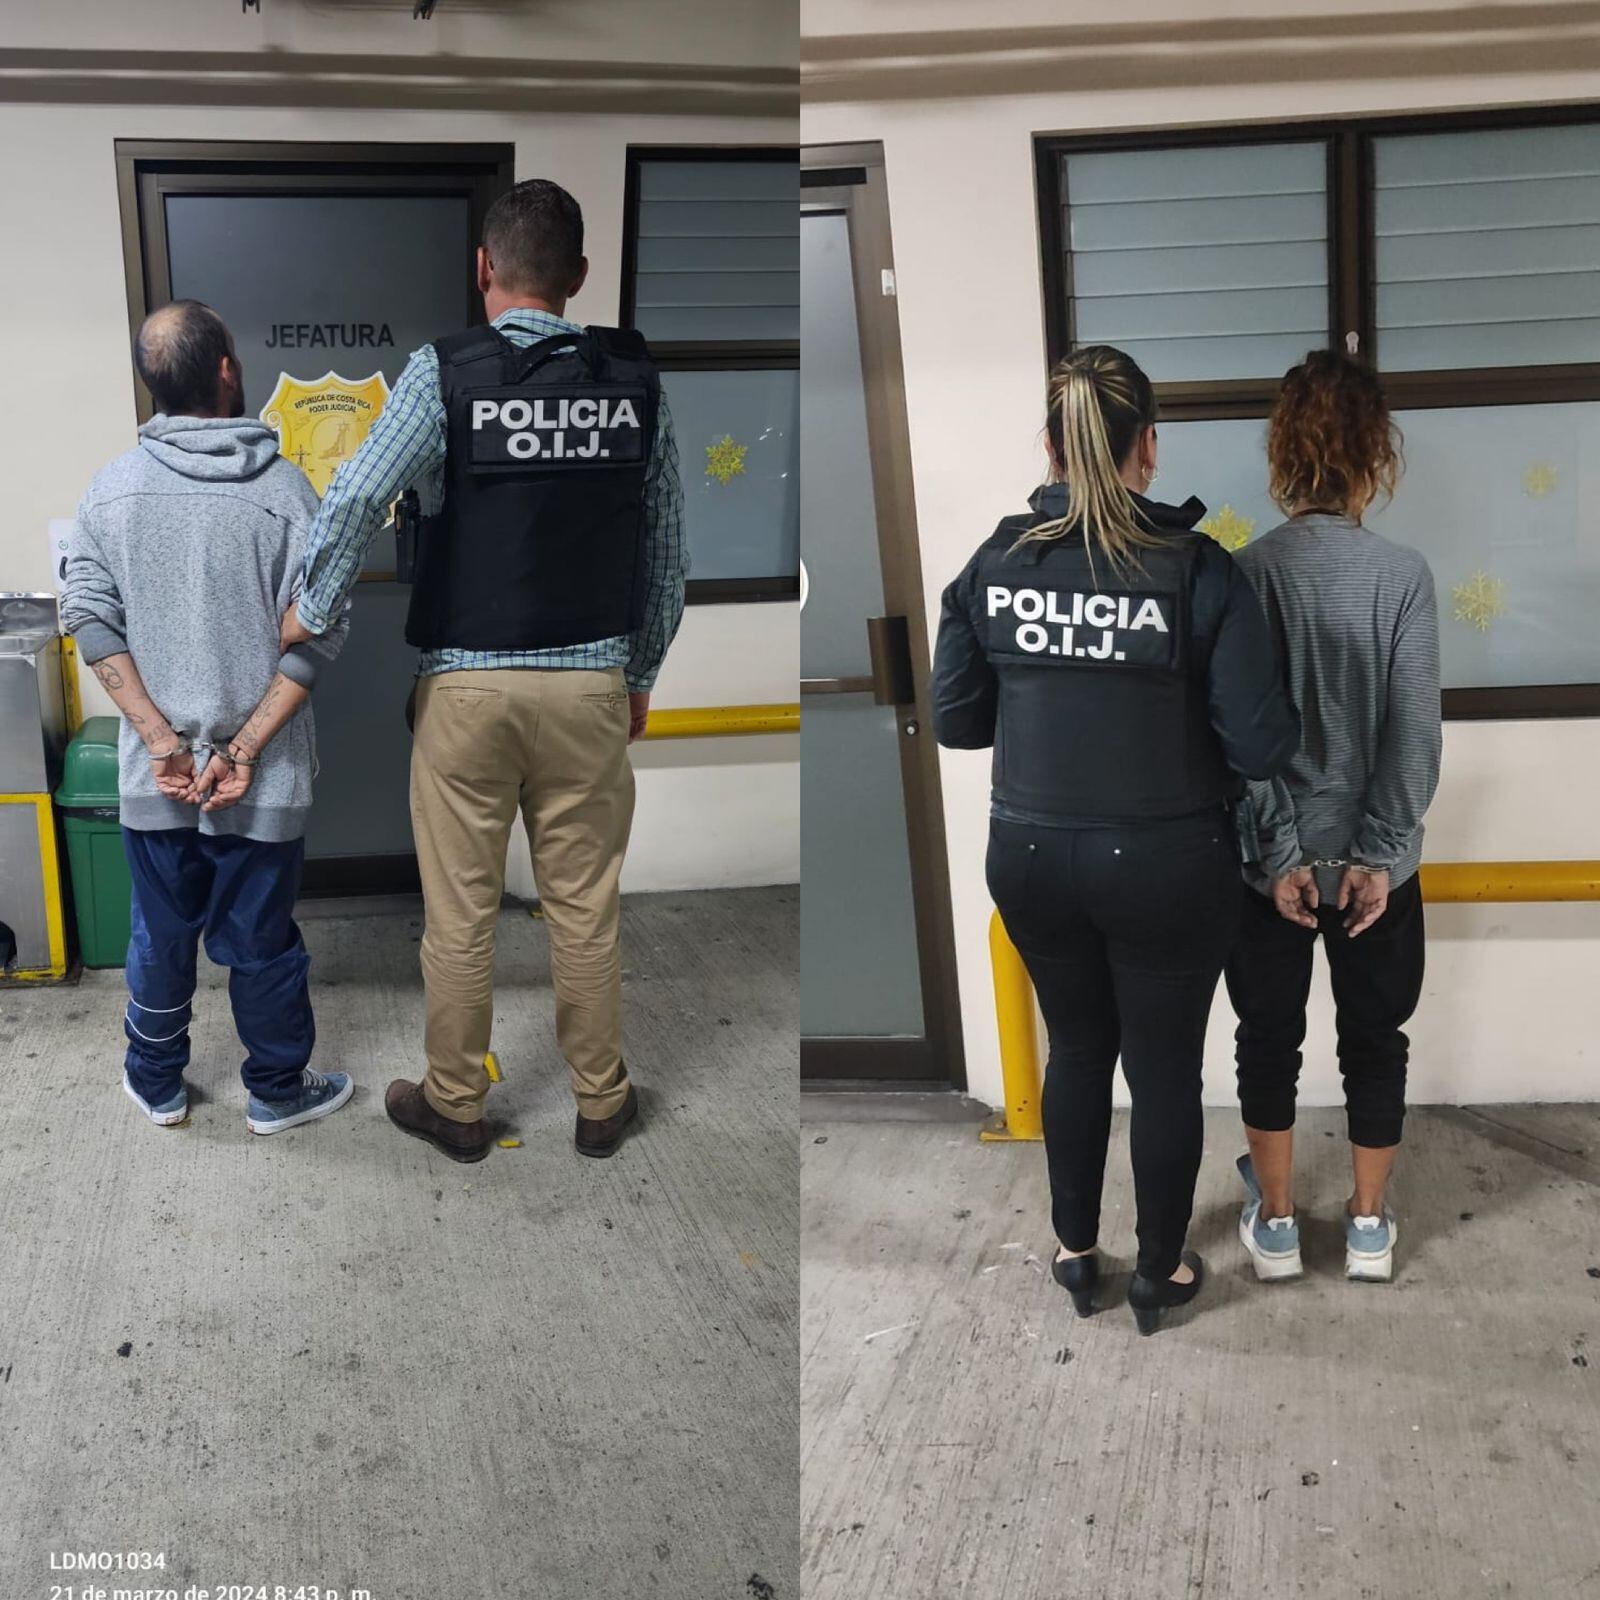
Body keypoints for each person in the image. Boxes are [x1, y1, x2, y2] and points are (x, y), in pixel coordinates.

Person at [280, 178, 687, 1165]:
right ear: (579, 277)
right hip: (590, 686)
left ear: (482, 270)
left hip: (465, 687)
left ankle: (455, 1105)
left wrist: (310, 605)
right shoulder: (633, 380)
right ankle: (601, 1102)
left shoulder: (443, 372)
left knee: (460, 914)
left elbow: (356, 494)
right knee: (583, 906)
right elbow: (668, 551)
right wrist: (637, 676)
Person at [932, 344, 1300, 1335]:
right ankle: (1160, 1270)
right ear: (1148, 445)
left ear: (1051, 445)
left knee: (1078, 1046)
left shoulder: (994, 563)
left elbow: (958, 722)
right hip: (1170, 863)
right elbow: (1262, 745)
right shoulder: (1199, 571)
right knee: (1164, 1065)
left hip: (1033, 857)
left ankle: (1072, 1249)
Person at [62, 300, 352, 1135]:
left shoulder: (111, 491)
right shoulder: (290, 492)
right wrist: (247, 748)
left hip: (161, 777)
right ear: (226, 370)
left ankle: (155, 1083)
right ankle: (274, 1090)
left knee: (158, 933)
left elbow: (88, 615)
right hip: (261, 779)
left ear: (154, 383)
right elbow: (318, 637)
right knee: (261, 939)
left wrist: (160, 740)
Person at [1227, 350, 1441, 1286]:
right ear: (1374, 456)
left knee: (1267, 1037)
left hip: (1269, 866)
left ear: (1282, 454)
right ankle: (1364, 1226)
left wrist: (1279, 855)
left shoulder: (1241, 575)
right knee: (1375, 1040)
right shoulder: (1402, 576)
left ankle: (1275, 1225)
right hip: (1370, 870)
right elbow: (1413, 731)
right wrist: (1379, 854)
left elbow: (1238, 738)